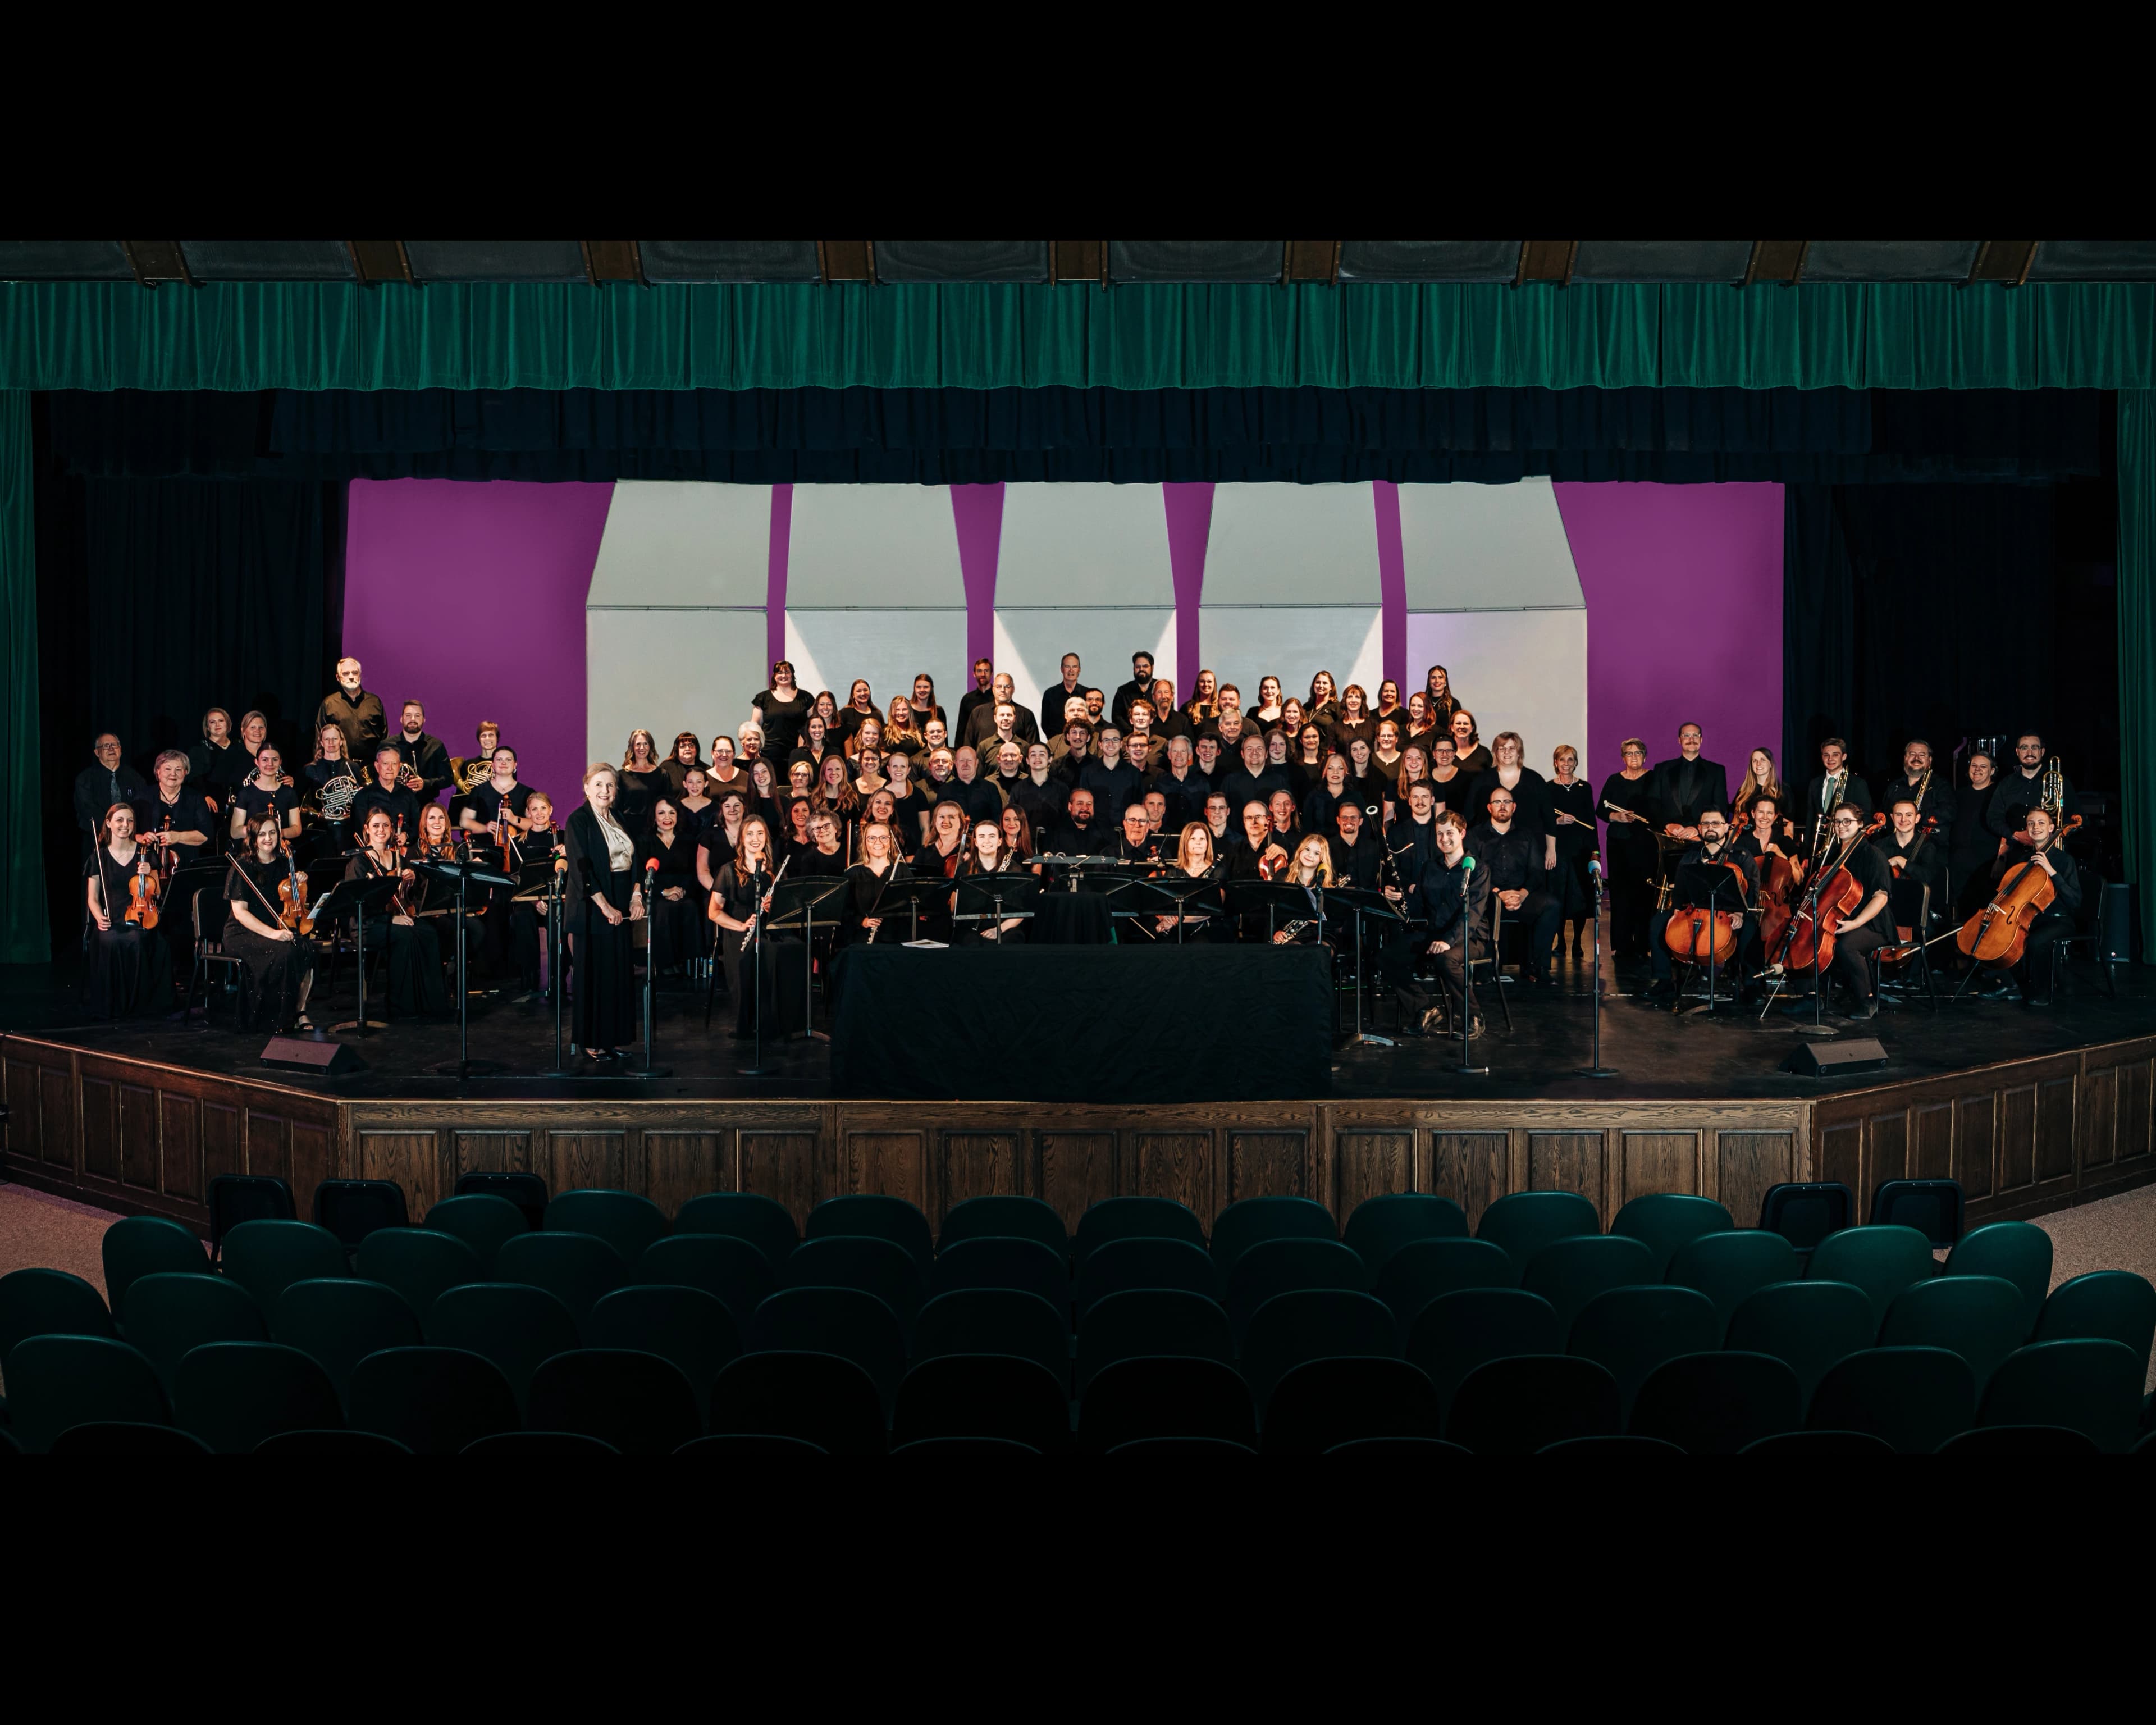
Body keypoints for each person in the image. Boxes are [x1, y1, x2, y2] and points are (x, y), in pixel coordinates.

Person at [1779, 802, 1893, 1020]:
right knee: (1803, 939)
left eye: (1847, 821)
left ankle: (1866, 1000)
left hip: (1872, 923)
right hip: (1838, 917)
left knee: (1845, 946)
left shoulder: (1874, 856)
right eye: (1837, 821)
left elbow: (1881, 897)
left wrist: (1856, 923)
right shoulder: (1833, 854)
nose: (1841, 826)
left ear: (1861, 825)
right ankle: (1810, 997)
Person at [1383, 811, 1488, 1039]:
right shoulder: (1430, 867)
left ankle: (1473, 1017)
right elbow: (1418, 906)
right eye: (1439, 834)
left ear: (1462, 833)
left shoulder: (1477, 869)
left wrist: (1448, 942)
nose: (1444, 839)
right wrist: (1397, 899)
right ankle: (1424, 1009)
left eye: (1450, 833)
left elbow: (1472, 915)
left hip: (1471, 938)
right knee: (1387, 956)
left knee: (1445, 959)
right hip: (1435, 934)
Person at [562, 764, 643, 1057]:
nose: (604, 791)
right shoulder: (578, 821)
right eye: (598, 785)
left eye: (609, 786)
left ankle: (613, 1038)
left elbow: (635, 859)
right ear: (586, 788)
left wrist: (636, 896)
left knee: (618, 976)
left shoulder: (618, 817)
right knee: (594, 978)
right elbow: (581, 869)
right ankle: (593, 1042)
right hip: (591, 908)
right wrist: (605, 906)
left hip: (621, 905)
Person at [345, 808, 450, 1017]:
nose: (381, 830)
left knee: (428, 933)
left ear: (392, 828)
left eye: (386, 825)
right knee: (405, 936)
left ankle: (431, 1004)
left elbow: (402, 895)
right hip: (368, 924)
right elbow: (361, 905)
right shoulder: (360, 862)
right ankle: (401, 1007)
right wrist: (393, 919)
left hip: (396, 916)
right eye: (376, 826)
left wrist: (409, 882)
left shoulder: (397, 856)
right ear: (367, 830)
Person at [1644, 807, 1758, 1000]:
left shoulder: (1742, 856)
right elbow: (1680, 890)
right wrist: (1676, 911)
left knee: (1750, 928)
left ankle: (1752, 985)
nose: (1710, 827)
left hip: (1730, 914)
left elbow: (1752, 891)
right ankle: (1664, 981)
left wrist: (1740, 914)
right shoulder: (1691, 856)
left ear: (1726, 828)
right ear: (1699, 828)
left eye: (1716, 823)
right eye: (1706, 824)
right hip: (1694, 911)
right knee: (1658, 923)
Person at [221, 814, 316, 1032]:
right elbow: (240, 913)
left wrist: (299, 881)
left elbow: (291, 901)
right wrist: (272, 935)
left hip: (277, 925)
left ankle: (300, 1012)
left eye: (272, 833)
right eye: (262, 834)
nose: (268, 838)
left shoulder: (285, 864)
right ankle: (277, 1019)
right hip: (242, 931)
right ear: (253, 838)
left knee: (306, 949)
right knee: (284, 953)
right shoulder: (242, 866)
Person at [1980, 806, 2082, 1007]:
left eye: (2041, 823)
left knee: (2035, 941)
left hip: (2058, 919)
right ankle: (2009, 985)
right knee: (2003, 936)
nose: (2036, 828)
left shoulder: (2063, 860)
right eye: (2031, 824)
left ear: (2052, 828)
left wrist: (2051, 871)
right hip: (2030, 917)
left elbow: (2075, 901)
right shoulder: (2024, 860)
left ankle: (2042, 991)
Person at [82, 803, 176, 1018]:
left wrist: (150, 874)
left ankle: (139, 1006)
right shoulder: (99, 856)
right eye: (120, 820)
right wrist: (99, 917)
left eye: (130, 821)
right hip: (112, 920)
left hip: (142, 917)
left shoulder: (145, 853)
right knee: (111, 941)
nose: (126, 825)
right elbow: (92, 898)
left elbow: (158, 893)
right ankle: (114, 1005)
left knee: (139, 940)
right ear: (108, 824)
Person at [709, 814, 800, 1038]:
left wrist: (774, 906)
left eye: (760, 833)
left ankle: (778, 1023)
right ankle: (750, 1024)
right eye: (749, 834)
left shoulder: (775, 870)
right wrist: (740, 926)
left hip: (770, 929)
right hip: (740, 931)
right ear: (741, 839)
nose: (755, 838)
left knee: (790, 951)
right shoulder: (728, 871)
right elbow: (714, 912)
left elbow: (788, 909)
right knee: (754, 956)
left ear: (766, 838)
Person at [1469, 787, 1562, 983]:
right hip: (1490, 897)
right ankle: (1483, 970)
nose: (1502, 806)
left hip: (1521, 896)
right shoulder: (1475, 835)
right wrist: (1498, 894)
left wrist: (1523, 894)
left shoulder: (1526, 835)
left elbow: (1537, 871)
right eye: (1497, 802)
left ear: (1514, 807)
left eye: (1507, 802)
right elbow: (1474, 872)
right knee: (1474, 906)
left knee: (1551, 905)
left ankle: (1537, 967)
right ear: (1489, 807)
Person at [1871, 796, 1947, 991]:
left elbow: (1928, 876)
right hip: (1886, 904)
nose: (1904, 819)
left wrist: (1901, 861)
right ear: (1892, 817)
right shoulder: (1881, 846)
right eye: (1899, 815)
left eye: (1908, 815)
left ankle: (1913, 975)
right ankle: (1882, 973)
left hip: (1917, 905)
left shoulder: (1927, 846)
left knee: (1926, 931)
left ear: (1917, 818)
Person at [1597, 738, 1657, 959]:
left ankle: (1643, 944)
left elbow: (1660, 809)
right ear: (1623, 758)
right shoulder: (1614, 780)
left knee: (1644, 895)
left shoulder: (1653, 778)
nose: (1634, 757)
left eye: (1638, 753)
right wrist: (1616, 816)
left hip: (1645, 845)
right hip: (1619, 844)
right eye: (1629, 753)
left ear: (1645, 756)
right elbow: (1601, 810)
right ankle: (1622, 945)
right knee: (1621, 895)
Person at [637, 796, 706, 983]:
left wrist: (682, 890)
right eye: (661, 813)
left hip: (684, 891)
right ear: (654, 817)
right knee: (665, 909)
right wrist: (664, 891)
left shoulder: (688, 840)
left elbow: (694, 872)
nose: (667, 817)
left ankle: (686, 962)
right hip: (657, 893)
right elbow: (641, 873)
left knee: (691, 907)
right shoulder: (645, 841)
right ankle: (665, 964)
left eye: (672, 812)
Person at [1988, 732, 2081, 846]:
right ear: (2018, 752)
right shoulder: (2006, 784)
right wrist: (2015, 834)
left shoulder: (2059, 781)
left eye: (2034, 748)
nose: (2029, 753)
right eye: (2024, 748)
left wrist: (2058, 834)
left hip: (2050, 851)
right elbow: (1993, 818)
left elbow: (2076, 815)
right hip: (2015, 852)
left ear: (2042, 751)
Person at [1548, 745, 1597, 959]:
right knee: (1558, 897)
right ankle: (1561, 943)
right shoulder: (1548, 788)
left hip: (1580, 850)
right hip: (1557, 850)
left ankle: (1577, 941)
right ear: (1555, 763)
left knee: (1580, 898)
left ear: (1576, 763)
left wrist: (1595, 852)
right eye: (1562, 760)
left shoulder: (1585, 788)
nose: (1566, 764)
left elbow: (1592, 821)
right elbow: (1543, 820)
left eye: (1570, 760)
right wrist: (1557, 821)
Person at [74, 733, 152, 860]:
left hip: (130, 842)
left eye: (114, 745)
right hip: (98, 841)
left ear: (120, 750)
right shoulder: (86, 779)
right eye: (106, 746)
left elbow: (141, 808)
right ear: (97, 752)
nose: (111, 748)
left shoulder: (135, 778)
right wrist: (114, 831)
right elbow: (88, 810)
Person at [955, 817, 1030, 943]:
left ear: (1000, 841)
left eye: (992, 836)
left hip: (1006, 927)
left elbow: (1020, 913)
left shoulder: (1014, 869)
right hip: (972, 927)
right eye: (982, 836)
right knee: (968, 942)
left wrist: (998, 930)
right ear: (976, 842)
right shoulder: (964, 870)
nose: (987, 841)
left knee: (1013, 940)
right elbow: (955, 908)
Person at [1650, 723, 1730, 839]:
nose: (1691, 739)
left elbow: (1720, 805)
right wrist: (1668, 825)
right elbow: (1653, 803)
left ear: (1701, 739)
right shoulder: (1661, 769)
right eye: (1686, 735)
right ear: (1679, 740)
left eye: (1695, 735)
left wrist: (1697, 828)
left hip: (1702, 838)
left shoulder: (1717, 771)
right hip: (1666, 837)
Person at [1950, 750, 2003, 920]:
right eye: (1974, 765)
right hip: (1959, 863)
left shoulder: (1998, 794)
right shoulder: (1959, 795)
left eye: (1983, 766)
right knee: (1962, 910)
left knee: (1984, 913)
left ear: (1992, 771)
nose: (1977, 769)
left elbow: (2005, 829)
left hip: (1986, 863)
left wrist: (2000, 859)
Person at [302, 722, 364, 860]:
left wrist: (360, 794)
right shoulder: (310, 769)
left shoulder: (353, 767)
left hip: (348, 829)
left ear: (341, 742)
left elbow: (360, 799)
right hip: (322, 829)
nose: (331, 743)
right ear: (322, 743)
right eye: (327, 739)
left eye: (335, 739)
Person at [230, 743, 303, 846]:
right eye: (265, 760)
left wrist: (279, 833)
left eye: (275, 760)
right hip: (253, 850)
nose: (270, 764)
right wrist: (261, 831)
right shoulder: (245, 793)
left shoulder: (289, 793)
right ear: (257, 762)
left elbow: (297, 828)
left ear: (280, 762)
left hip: (281, 850)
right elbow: (235, 832)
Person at [316, 657, 386, 762]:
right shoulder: (329, 704)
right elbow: (320, 738)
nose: (351, 677)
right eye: (346, 674)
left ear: (360, 676)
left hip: (371, 768)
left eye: (355, 673)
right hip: (340, 766)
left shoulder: (375, 702)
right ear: (338, 678)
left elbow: (384, 737)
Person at [351, 746, 422, 842]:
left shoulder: (408, 794)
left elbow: (418, 825)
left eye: (394, 764)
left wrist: (406, 835)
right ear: (377, 766)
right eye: (385, 763)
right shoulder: (363, 796)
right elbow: (359, 830)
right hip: (373, 852)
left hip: (404, 852)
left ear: (399, 766)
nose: (390, 768)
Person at [1801, 737, 1872, 830]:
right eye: (1826, 755)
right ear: (1822, 757)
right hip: (1819, 842)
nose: (1830, 759)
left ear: (1844, 757)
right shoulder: (1814, 784)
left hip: (1845, 841)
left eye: (1835, 755)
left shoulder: (1858, 784)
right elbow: (1810, 818)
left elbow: (1866, 816)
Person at [389, 701, 454, 801]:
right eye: (408, 715)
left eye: (417, 715)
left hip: (425, 806)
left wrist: (425, 783)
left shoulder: (436, 746)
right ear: (401, 719)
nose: (413, 719)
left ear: (424, 720)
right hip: (393, 803)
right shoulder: (388, 745)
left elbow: (448, 779)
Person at [752, 659, 812, 758]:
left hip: (800, 752)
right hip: (770, 754)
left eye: (787, 672)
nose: (784, 676)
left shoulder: (806, 698)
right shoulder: (763, 698)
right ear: (775, 676)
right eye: (780, 673)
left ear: (792, 675)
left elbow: (814, 724)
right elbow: (755, 726)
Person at [189, 708, 250, 802]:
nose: (217, 725)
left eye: (221, 721)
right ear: (207, 727)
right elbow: (195, 778)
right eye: (212, 722)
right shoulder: (200, 750)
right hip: (212, 804)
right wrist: (205, 796)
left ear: (228, 723)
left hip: (241, 801)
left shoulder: (240, 746)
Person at [1732, 748, 1792, 831]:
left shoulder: (1783, 791)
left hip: (1773, 842)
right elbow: (1735, 824)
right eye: (1754, 761)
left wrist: (1783, 844)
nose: (1758, 764)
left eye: (1763, 760)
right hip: (1745, 842)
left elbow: (1789, 828)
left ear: (1771, 764)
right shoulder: (1743, 791)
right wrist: (1732, 843)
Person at [1039, 652, 1097, 740]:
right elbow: (1045, 724)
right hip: (1058, 745)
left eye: (1074, 667)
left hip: (1083, 743)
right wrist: (1056, 742)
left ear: (1079, 670)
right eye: (1067, 667)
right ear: (1062, 669)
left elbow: (1094, 720)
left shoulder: (1088, 694)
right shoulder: (1050, 694)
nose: (1071, 670)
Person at [618, 731, 666, 833]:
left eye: (645, 744)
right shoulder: (621, 775)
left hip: (654, 830)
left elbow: (667, 805)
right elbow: (617, 807)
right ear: (632, 747)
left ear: (651, 746)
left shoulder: (662, 774)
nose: (642, 748)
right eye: (638, 744)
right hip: (628, 830)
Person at [1110, 651, 1157, 731]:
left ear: (1152, 667)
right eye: (1138, 667)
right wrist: (1133, 733)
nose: (1141, 669)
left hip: (1155, 737)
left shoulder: (1160, 689)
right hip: (1129, 738)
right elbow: (1117, 717)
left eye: (1145, 666)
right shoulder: (1123, 691)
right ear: (1134, 668)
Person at [953, 658, 998, 742]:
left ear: (992, 674)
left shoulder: (998, 697)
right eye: (979, 671)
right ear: (974, 674)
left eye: (986, 671)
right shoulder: (967, 699)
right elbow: (961, 729)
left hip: (994, 745)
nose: (983, 674)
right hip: (973, 747)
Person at [1449, 709, 1491, 775]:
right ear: (1452, 728)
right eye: (1458, 723)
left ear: (1472, 728)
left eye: (1466, 724)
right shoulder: (1444, 753)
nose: (1462, 727)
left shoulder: (1484, 753)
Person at [837, 679, 880, 746]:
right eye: (859, 691)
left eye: (865, 690)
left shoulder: (877, 714)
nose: (863, 693)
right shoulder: (845, 713)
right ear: (853, 695)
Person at [1423, 665, 1462, 731]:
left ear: (1445, 681)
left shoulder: (1454, 703)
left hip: (1446, 740)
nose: (1437, 681)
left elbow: (1458, 726)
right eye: (1433, 678)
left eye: (1441, 677)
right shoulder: (1422, 701)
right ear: (1429, 682)